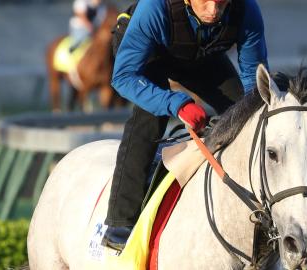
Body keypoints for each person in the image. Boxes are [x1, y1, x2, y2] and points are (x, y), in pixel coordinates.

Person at [101, 0, 268, 251]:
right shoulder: (154, 8)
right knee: (149, 119)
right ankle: (120, 222)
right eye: (205, 1)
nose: (213, 10)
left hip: (198, 53)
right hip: (148, 50)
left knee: (248, 115)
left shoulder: (247, 9)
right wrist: (177, 104)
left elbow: (253, 82)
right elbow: (123, 77)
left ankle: (257, 210)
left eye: (221, 2)